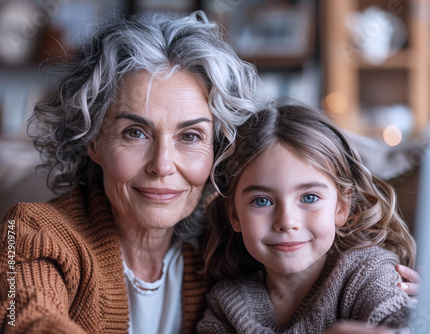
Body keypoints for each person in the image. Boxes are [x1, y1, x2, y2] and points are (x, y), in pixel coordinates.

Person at [0, 11, 258, 333]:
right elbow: (22, 317)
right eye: (135, 132)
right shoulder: (32, 232)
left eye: (190, 137)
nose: (162, 165)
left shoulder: (232, 233)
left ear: (216, 148)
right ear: (92, 139)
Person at [198, 101, 417, 333]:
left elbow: (396, 321)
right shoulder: (226, 302)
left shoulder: (368, 273)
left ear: (341, 207)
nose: (286, 222)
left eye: (309, 198)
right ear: (235, 215)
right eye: (262, 201)